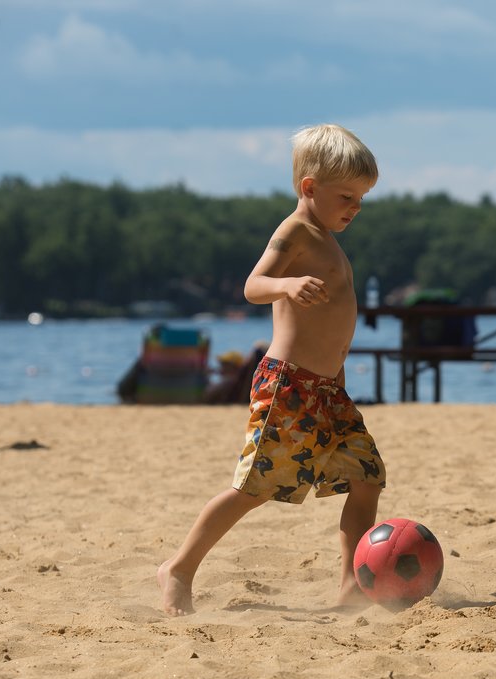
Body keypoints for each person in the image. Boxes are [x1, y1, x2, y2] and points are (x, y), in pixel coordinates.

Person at [157, 124, 386, 615]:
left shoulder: (329, 239)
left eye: (362, 199)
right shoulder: (295, 232)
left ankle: (352, 586)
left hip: (328, 389)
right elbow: (253, 284)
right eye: (347, 195)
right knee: (255, 487)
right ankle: (178, 568)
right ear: (309, 187)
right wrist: (286, 285)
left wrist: (338, 383)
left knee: (366, 476)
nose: (356, 208)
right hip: (289, 387)